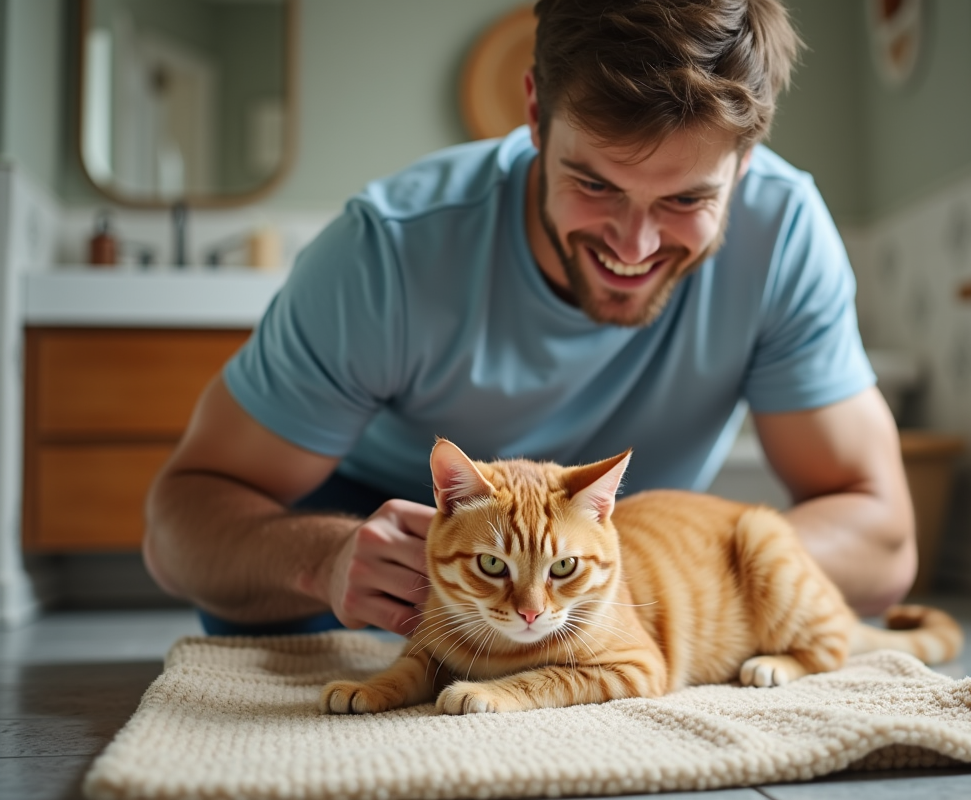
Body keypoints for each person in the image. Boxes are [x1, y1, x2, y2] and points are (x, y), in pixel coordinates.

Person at [143, 0, 916, 637]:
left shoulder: (783, 235)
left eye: (687, 200)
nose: (634, 246)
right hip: (378, 570)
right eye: (596, 184)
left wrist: (664, 572)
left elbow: (883, 544)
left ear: (745, 163)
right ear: (537, 118)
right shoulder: (386, 252)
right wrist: (327, 559)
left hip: (620, 577)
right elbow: (176, 529)